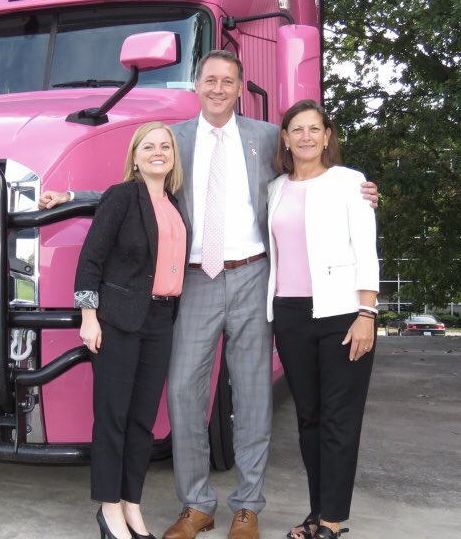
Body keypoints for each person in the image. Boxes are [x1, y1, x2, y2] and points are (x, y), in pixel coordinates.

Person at [41, 50, 378, 539]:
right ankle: (197, 504)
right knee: (182, 393)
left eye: (228, 81)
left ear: (241, 88)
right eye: (209, 80)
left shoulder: (266, 137)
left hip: (253, 277)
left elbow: (314, 179)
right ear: (196, 85)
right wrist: (72, 197)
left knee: (254, 397)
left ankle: (247, 506)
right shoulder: (174, 139)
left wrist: (360, 190)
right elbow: (137, 188)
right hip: (195, 280)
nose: (218, 88)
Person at [266, 100, 379, 539]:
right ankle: (317, 511)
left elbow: (366, 250)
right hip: (290, 316)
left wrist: (367, 314)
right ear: (286, 138)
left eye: (315, 128)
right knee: (308, 418)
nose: (307, 136)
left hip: (342, 314)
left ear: (327, 135)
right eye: (298, 129)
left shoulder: (350, 183)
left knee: (338, 420)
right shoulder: (275, 188)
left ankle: (332, 519)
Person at [74, 122, 188, 539]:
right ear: (135, 157)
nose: (158, 152)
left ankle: (131, 504)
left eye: (165, 146)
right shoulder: (122, 197)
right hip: (117, 322)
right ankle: (108, 510)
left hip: (161, 321)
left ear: (173, 156)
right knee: (113, 418)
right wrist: (89, 317)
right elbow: (90, 260)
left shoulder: (175, 205)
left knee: (143, 422)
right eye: (149, 146)